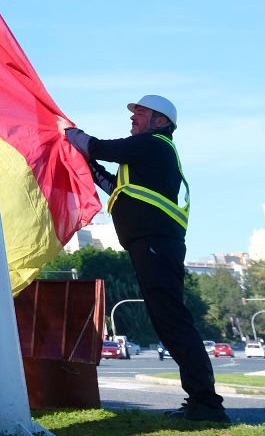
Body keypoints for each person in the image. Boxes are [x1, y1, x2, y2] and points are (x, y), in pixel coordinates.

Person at [65, 96, 228, 423]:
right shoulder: (146, 156)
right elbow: (114, 186)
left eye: (141, 112)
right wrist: (88, 165)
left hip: (156, 244)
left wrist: (70, 134)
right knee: (168, 319)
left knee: (173, 320)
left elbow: (99, 147)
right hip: (152, 245)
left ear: (161, 121)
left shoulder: (153, 144)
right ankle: (202, 400)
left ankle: (207, 403)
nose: (133, 117)